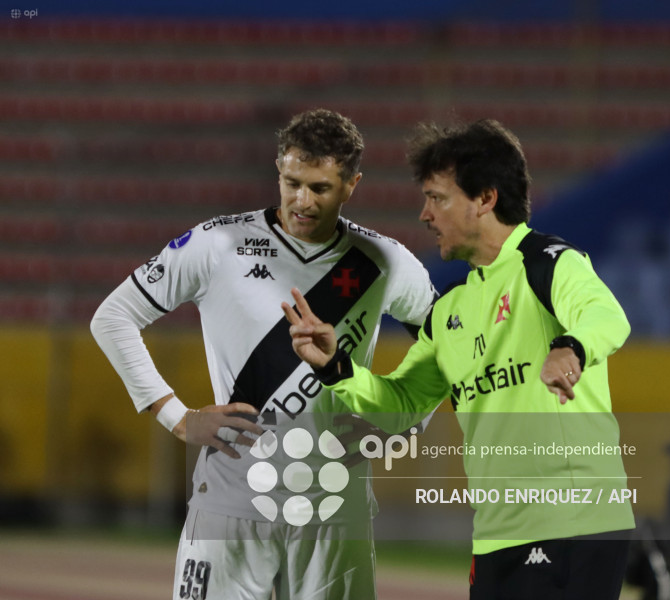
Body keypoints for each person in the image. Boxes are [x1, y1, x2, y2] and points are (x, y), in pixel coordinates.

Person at [91, 108, 436, 600]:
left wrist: (401, 421)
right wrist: (177, 416)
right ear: (278, 168)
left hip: (335, 511)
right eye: (292, 182)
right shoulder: (218, 244)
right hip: (232, 499)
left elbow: (449, 345)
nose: (302, 200)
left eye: (320, 188)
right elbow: (112, 317)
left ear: (352, 184)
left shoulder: (384, 262)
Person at [284, 119, 635, 599]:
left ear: (485, 199)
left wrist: (570, 347)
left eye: (438, 198)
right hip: (497, 534)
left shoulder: (547, 264)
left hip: (573, 524)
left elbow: (607, 316)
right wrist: (335, 368)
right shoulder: (449, 310)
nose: (426, 214)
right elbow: (401, 403)